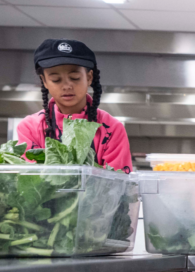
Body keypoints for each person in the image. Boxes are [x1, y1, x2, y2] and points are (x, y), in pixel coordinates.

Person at [18, 39, 132, 172]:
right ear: (44, 81)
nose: (67, 86)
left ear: (89, 77)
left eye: (75, 77)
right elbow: (32, 178)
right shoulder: (30, 127)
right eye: (56, 80)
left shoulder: (111, 128)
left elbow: (117, 183)